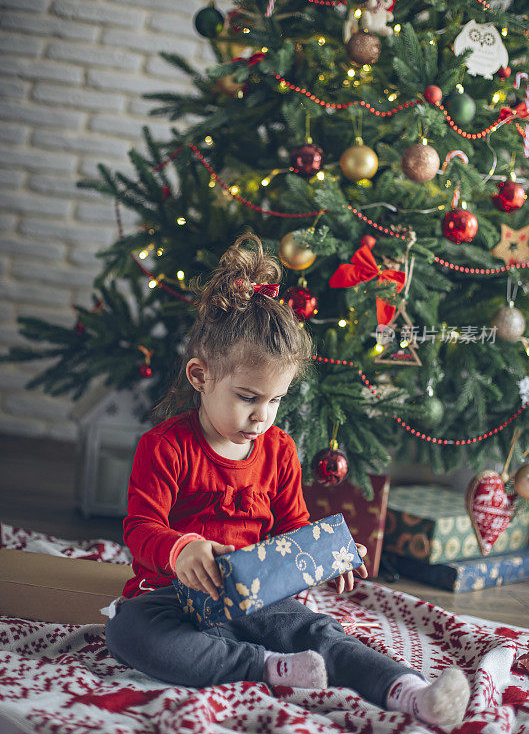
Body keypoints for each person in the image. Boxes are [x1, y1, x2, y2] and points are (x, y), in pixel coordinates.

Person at [105, 232, 470, 729]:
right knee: (128, 634)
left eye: (275, 401)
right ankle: (268, 668)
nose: (262, 416)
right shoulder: (164, 446)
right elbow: (139, 528)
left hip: (254, 596)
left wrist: (323, 558)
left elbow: (293, 527)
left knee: (322, 632)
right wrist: (178, 549)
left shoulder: (277, 448)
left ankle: (409, 692)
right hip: (169, 595)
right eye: (248, 397)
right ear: (199, 376)